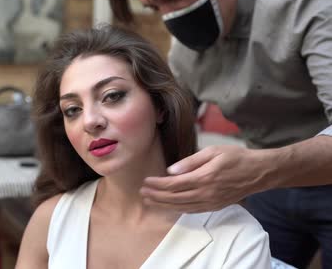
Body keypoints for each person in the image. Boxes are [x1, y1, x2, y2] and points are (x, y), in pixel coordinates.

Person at [109, 0, 332, 267]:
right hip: (270, 191)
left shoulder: (308, 1)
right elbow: (166, 126)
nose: (170, 18)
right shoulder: (184, 55)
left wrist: (259, 170)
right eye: (156, 8)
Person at [15, 25, 271, 268]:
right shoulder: (50, 221)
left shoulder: (236, 238)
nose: (90, 121)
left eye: (112, 96)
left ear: (159, 105)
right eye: (72, 110)